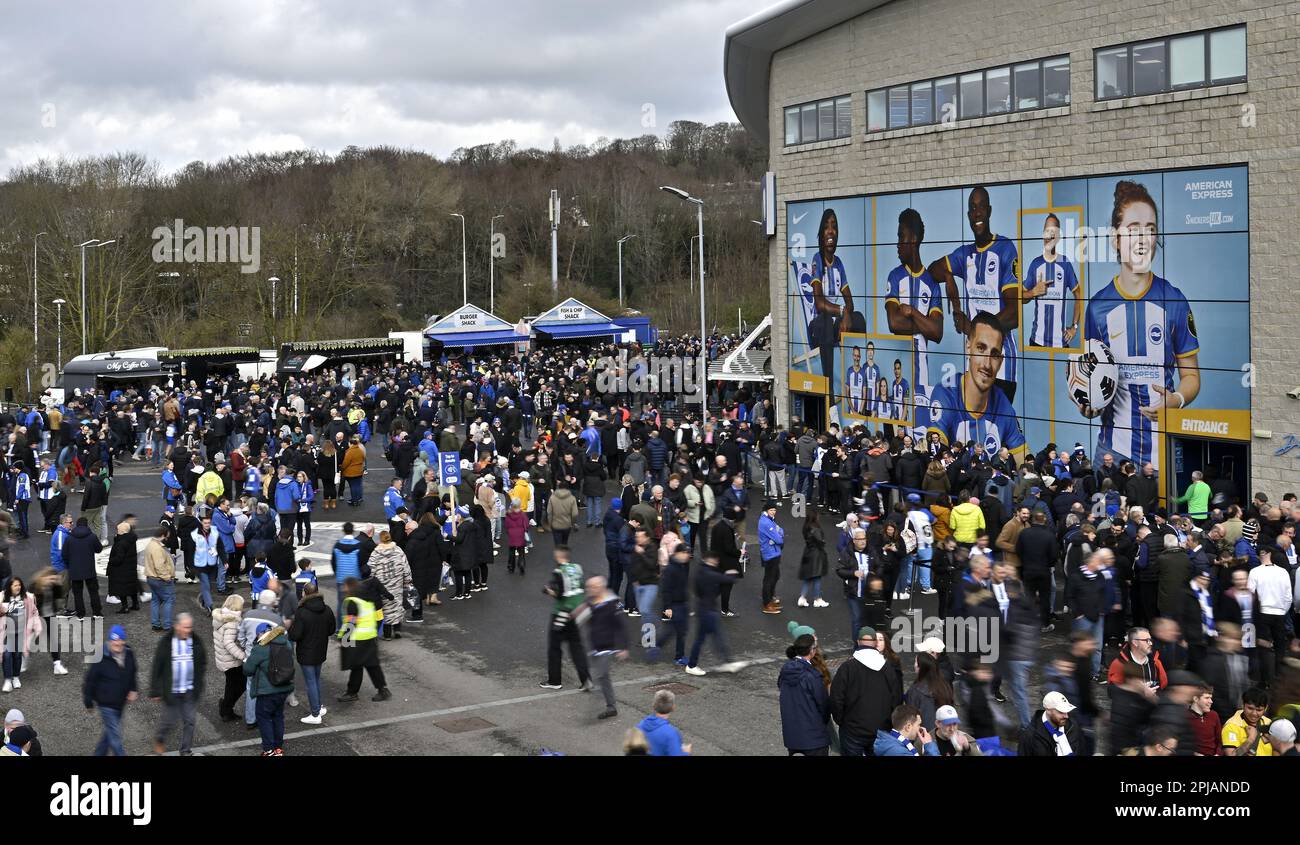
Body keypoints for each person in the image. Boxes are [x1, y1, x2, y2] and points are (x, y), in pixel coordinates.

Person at [829, 626, 901, 756]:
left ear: (857, 642)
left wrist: (841, 721)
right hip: (881, 731)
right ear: (875, 643)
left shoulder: (847, 668)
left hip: (852, 730)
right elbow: (896, 699)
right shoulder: (888, 669)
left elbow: (836, 698)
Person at [150, 612, 207, 756]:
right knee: (169, 721)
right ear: (177, 627)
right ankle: (160, 738)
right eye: (185, 627)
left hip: (189, 690)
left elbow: (202, 661)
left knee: (190, 721)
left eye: (190, 627)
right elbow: (157, 666)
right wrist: (155, 690)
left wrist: (198, 681)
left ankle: (185, 751)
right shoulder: (167, 642)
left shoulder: (196, 641)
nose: (188, 630)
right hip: (172, 691)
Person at [539, 546, 592, 690]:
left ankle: (554, 680)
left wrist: (548, 590)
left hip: (561, 613)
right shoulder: (577, 568)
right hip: (576, 611)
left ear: (558, 556)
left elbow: (559, 594)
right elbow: (581, 586)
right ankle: (586, 678)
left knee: (554, 647)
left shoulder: (558, 572)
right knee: (576, 646)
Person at [685, 552, 746, 676]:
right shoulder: (709, 573)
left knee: (713, 637)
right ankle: (693, 665)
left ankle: (726, 661)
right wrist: (732, 573)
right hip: (707, 611)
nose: (717, 563)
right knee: (712, 638)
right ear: (711, 560)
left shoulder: (700, 571)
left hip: (704, 609)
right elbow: (728, 579)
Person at [82, 624, 138, 756]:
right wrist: (88, 702)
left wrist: (133, 689)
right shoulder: (100, 657)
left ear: (124, 641)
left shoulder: (129, 653)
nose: (117, 643)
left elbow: (132, 672)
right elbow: (90, 680)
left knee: (109, 734)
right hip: (106, 704)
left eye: (119, 640)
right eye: (114, 640)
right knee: (115, 737)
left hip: (120, 702)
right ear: (109, 641)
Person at [576, 575, 627, 720]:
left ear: (600, 587)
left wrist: (623, 647)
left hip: (608, 646)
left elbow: (621, 626)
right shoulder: (590, 601)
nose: (589, 589)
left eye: (592, 587)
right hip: (594, 645)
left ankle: (610, 706)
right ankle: (609, 703)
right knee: (603, 678)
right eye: (589, 587)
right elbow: (582, 618)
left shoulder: (613, 603)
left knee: (602, 674)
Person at [288, 582, 335, 725]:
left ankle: (315, 714)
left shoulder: (301, 612)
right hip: (321, 650)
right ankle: (318, 707)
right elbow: (331, 630)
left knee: (311, 682)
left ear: (304, 593)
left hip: (306, 652)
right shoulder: (327, 609)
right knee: (315, 680)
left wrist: (289, 628)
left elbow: (295, 635)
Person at [778, 633, 830, 755]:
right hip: (815, 739)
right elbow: (824, 705)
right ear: (812, 651)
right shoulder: (813, 676)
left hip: (792, 738)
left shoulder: (785, 671)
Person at [212, 594, 248, 723]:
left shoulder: (220, 618)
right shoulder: (232, 621)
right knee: (241, 684)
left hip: (223, 660)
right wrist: (243, 656)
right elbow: (228, 643)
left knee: (231, 685)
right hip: (231, 661)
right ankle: (226, 708)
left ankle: (226, 708)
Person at [1018, 690, 1085, 756]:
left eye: (1066, 711)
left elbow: (1081, 750)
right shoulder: (1030, 736)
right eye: (1061, 712)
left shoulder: (1073, 726)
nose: (1066, 716)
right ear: (1048, 710)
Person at [63, 516, 103, 619]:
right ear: (86, 525)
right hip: (89, 569)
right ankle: (97, 613)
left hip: (75, 570)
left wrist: (70, 564)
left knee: (77, 594)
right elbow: (99, 549)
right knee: (93, 592)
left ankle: (80, 614)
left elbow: (64, 555)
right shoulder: (92, 536)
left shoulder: (69, 538)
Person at [1222, 686, 1274, 757]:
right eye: (1250, 708)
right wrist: (1250, 739)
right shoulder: (1231, 726)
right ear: (1243, 704)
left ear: (1266, 708)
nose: (1254, 714)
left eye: (1259, 710)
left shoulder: (1269, 723)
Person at [637, 689, 691, 755]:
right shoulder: (671, 734)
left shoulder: (640, 726)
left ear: (654, 706)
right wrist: (686, 752)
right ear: (673, 707)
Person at [873, 703, 940, 756]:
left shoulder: (891, 743)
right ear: (908, 727)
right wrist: (929, 745)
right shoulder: (899, 752)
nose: (921, 728)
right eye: (918, 724)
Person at [797, 505, 830, 609]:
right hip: (816, 555)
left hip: (808, 552)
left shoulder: (806, 527)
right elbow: (821, 541)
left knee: (808, 578)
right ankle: (817, 599)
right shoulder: (816, 529)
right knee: (817, 577)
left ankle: (802, 598)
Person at [107, 521, 141, 613]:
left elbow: (118, 558)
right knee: (131, 587)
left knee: (121, 588)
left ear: (122, 531)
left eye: (118, 529)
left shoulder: (121, 542)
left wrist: (111, 561)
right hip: (130, 567)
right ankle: (135, 604)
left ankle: (125, 607)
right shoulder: (131, 540)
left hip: (121, 569)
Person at [757, 499, 784, 613]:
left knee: (775, 576)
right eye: (771, 510)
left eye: (774, 510)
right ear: (766, 510)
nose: (773, 512)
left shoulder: (769, 519)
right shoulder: (766, 523)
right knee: (769, 578)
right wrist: (778, 536)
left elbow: (781, 530)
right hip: (770, 554)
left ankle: (770, 598)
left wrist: (778, 534)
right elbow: (779, 538)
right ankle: (767, 603)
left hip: (773, 553)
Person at [1187, 684, 1223, 756]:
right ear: (1196, 699)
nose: (1211, 701)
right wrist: (1194, 754)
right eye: (1207, 698)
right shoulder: (1185, 717)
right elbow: (1181, 744)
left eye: (1211, 698)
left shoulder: (1214, 715)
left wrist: (1217, 754)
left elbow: (1220, 741)